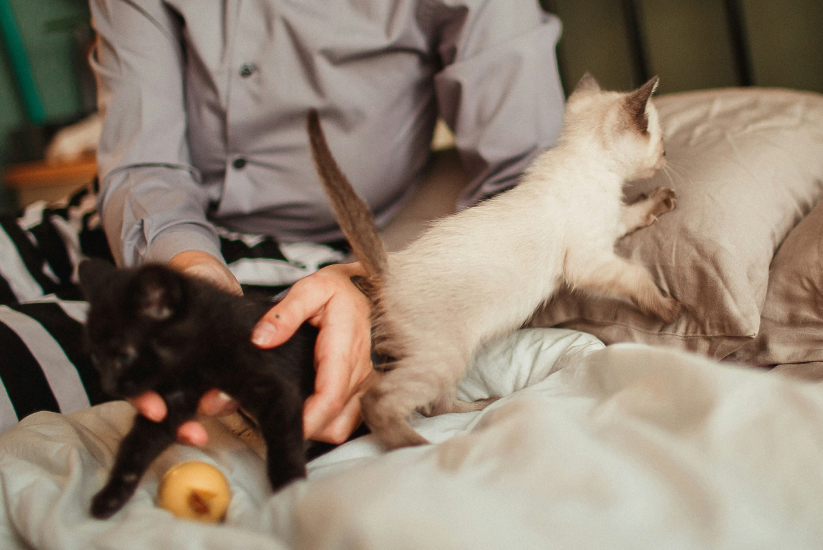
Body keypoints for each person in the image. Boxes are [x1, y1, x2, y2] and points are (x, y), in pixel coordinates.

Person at [86, 0, 565, 445]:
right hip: (153, 237)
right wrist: (187, 270)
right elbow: (142, 163)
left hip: (358, 247)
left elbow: (532, 187)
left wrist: (372, 287)